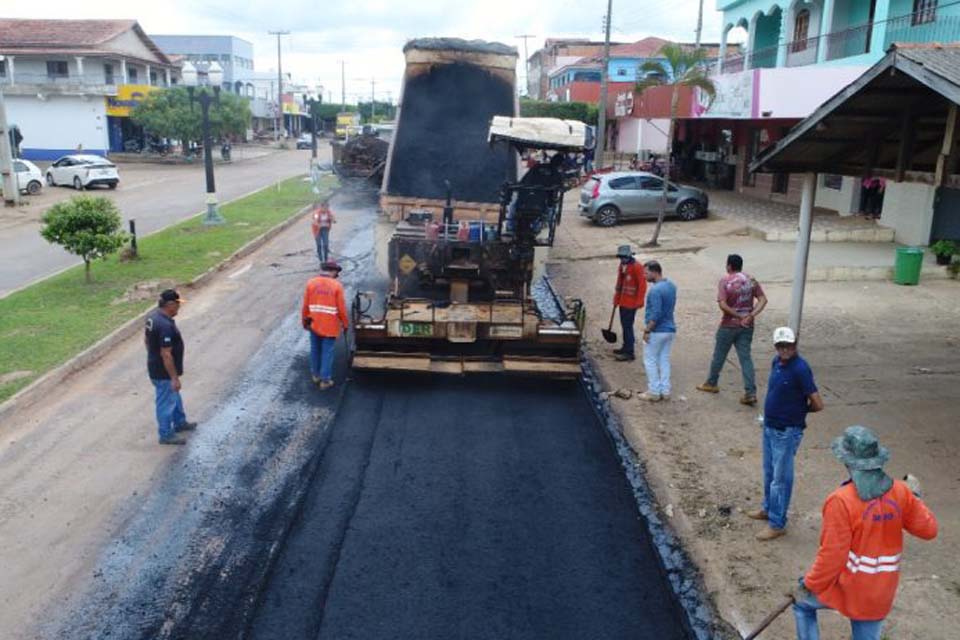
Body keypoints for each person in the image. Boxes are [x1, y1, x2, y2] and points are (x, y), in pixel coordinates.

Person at [791, 425, 938, 640]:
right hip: (879, 593)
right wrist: (915, 498)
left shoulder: (840, 501)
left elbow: (832, 557)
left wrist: (809, 584)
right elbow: (929, 530)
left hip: (848, 587)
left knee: (802, 604)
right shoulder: (900, 492)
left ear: (846, 461)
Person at [748, 326, 824, 541]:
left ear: (795, 344)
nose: (784, 350)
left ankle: (777, 523)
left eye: (788, 345)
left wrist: (798, 411)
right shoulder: (777, 362)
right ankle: (768, 508)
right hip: (771, 426)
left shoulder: (800, 368)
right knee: (769, 472)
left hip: (786, 431)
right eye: (780, 346)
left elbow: (818, 403)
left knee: (780, 479)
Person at [697, 253, 768, 405]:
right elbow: (763, 300)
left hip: (728, 325)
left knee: (719, 355)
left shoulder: (725, 281)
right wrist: (750, 315)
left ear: (729, 266)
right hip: (747, 326)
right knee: (746, 358)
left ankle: (711, 382)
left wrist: (737, 315)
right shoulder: (751, 280)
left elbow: (722, 304)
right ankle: (750, 392)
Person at [144, 289, 197, 445]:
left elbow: (146, 340)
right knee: (166, 401)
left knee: (174, 396)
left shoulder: (153, 317)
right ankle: (166, 434)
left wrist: (152, 357)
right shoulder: (165, 325)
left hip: (156, 366)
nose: (179, 308)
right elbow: (166, 354)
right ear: (170, 305)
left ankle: (180, 422)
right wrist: (174, 377)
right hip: (163, 372)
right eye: (177, 304)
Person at [301, 260, 349, 390]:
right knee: (327, 352)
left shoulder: (311, 283)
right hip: (329, 325)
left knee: (315, 349)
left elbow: (305, 306)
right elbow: (341, 309)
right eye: (336, 273)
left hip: (314, 324)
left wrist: (304, 321)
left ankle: (315, 375)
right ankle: (325, 380)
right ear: (333, 271)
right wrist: (345, 324)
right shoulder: (336, 286)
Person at [639, 260, 677, 401]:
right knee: (664, 359)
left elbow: (655, 314)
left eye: (646, 273)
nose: (644, 276)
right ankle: (665, 390)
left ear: (655, 272)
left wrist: (647, 330)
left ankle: (654, 391)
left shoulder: (655, 291)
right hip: (670, 329)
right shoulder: (671, 286)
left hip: (657, 330)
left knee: (650, 360)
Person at [612, 245, 647, 362]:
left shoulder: (637, 267)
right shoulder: (622, 266)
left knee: (627, 327)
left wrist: (639, 301)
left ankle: (629, 352)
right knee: (624, 325)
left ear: (629, 256)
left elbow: (642, 285)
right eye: (621, 258)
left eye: (624, 257)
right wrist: (616, 299)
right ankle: (625, 347)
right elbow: (619, 284)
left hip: (631, 304)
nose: (622, 260)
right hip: (623, 301)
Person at [310, 200, 336, 264]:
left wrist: (333, 220)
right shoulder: (317, 213)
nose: (326, 209)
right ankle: (321, 260)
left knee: (326, 244)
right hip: (317, 230)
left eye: (327, 207)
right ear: (321, 207)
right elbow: (315, 221)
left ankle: (326, 259)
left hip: (325, 229)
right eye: (325, 208)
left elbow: (333, 219)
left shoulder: (328, 212)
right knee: (319, 245)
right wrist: (319, 224)